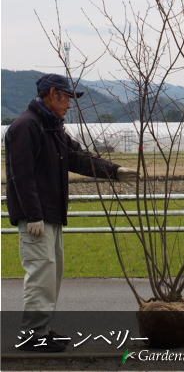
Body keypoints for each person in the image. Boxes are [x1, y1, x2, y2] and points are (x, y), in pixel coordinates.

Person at [5, 73, 138, 352]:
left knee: (52, 274)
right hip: (37, 218)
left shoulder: (51, 127)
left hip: (51, 214)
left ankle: (41, 329)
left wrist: (114, 171)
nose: (69, 105)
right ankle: (32, 335)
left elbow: (77, 157)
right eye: (67, 98)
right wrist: (33, 215)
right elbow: (21, 175)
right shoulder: (26, 127)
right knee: (41, 274)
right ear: (52, 94)